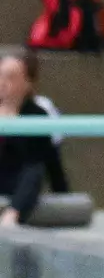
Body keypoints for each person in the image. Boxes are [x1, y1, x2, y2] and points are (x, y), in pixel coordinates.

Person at [0, 51, 70, 227]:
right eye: (0, 75)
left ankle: (12, 215)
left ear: (27, 83)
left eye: (11, 77)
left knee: (35, 169)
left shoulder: (37, 115)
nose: (2, 83)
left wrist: (64, 197)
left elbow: (49, 161)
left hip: (17, 183)